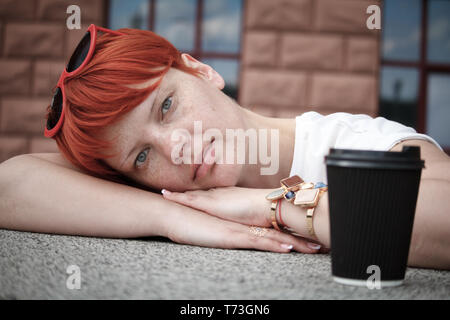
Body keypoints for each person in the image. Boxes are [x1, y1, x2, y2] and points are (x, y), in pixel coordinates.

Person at [0, 25, 449, 270]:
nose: (174, 149)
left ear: (200, 71)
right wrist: (171, 218)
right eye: (141, 156)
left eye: (166, 106)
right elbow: (11, 184)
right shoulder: (168, 196)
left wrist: (273, 205)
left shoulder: (357, 139)